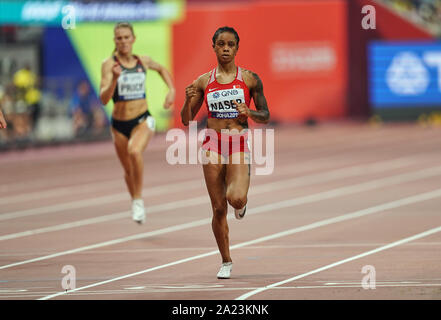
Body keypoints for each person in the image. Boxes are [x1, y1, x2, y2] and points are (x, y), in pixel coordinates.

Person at [180, 26, 270, 279]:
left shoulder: (250, 79)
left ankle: (242, 204)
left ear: (237, 47)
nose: (226, 48)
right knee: (219, 208)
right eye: (221, 44)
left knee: (236, 199)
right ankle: (226, 261)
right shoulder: (203, 81)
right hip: (212, 144)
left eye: (231, 44)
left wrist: (249, 113)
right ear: (214, 47)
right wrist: (188, 101)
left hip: (238, 142)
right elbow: (186, 120)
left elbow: (266, 115)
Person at [100, 22, 175, 224]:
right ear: (115, 41)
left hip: (142, 119)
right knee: (128, 171)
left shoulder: (143, 61)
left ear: (133, 39)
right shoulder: (109, 65)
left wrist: (171, 90)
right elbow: (104, 98)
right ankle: (134, 198)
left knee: (135, 151)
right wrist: (115, 79)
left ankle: (138, 200)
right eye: (119, 38)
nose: (123, 41)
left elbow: (161, 69)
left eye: (126, 37)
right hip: (118, 124)